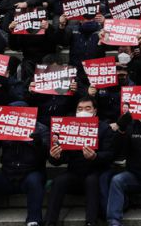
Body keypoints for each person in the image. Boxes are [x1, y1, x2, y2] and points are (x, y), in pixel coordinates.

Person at [45, 97, 115, 226]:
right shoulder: (68, 127)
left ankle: (91, 222)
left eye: (87, 108)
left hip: (96, 172)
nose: (83, 111)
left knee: (91, 180)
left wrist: (95, 157)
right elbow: (60, 159)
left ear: (94, 111)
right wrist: (55, 156)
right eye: (80, 109)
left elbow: (110, 155)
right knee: (59, 181)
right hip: (75, 172)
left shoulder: (104, 128)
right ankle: (50, 221)